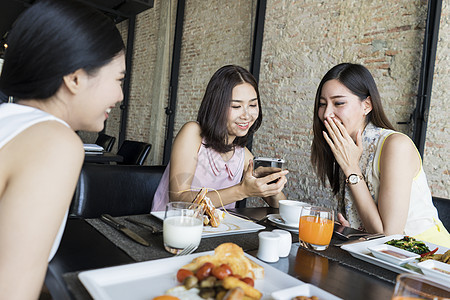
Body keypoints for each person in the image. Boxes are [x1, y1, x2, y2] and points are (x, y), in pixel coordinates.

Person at [0, 0, 126, 298]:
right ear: (75, 77)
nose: (120, 95)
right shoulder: (55, 142)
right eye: (118, 79)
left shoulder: (7, 118)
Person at [311, 63, 449, 247]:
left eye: (339, 103)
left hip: (428, 258)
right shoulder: (345, 148)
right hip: (379, 256)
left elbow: (389, 237)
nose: (327, 113)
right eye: (322, 104)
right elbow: (373, 231)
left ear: (366, 105)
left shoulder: (395, 146)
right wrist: (351, 230)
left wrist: (351, 169)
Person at [152, 65, 288, 211]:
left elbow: (280, 205)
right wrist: (242, 190)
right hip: (170, 228)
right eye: (236, 106)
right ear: (216, 106)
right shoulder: (193, 133)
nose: (247, 115)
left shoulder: (241, 154)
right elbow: (178, 197)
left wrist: (272, 186)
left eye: (253, 104)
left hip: (215, 232)